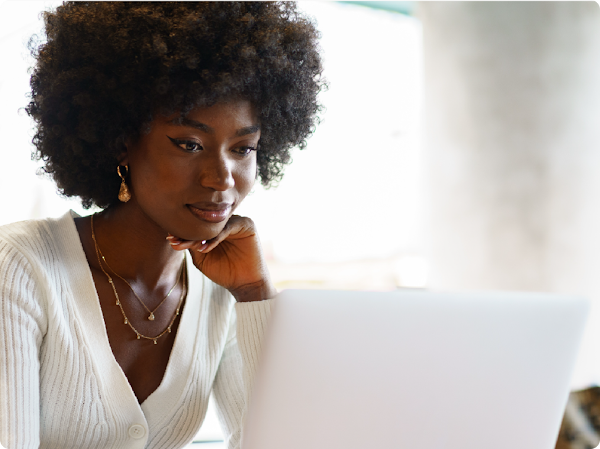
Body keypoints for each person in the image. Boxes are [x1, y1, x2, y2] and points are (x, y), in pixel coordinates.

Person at [0, 2, 324, 449]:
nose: (222, 178)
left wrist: (253, 295)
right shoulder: (20, 267)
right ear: (121, 142)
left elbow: (287, 441)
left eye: (243, 148)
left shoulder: (220, 292)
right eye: (189, 144)